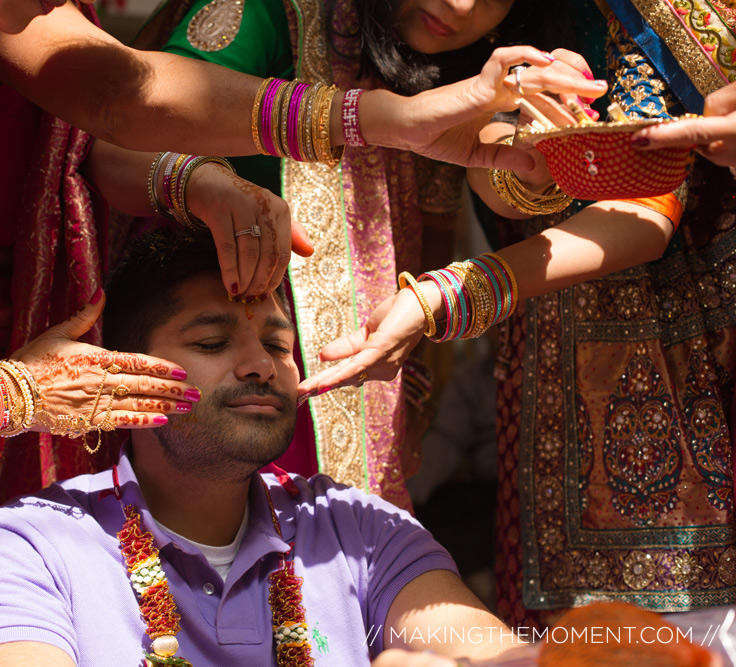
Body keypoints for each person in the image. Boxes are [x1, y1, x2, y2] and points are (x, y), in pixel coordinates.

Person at [301, 0, 736, 629]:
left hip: (688, 375)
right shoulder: (441, 52)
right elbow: (501, 169)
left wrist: (451, 295)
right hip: (551, 396)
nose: (457, 2)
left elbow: (646, 189)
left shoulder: (622, 19)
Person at [0, 228, 522, 666]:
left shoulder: (358, 529)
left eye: (278, 344)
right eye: (213, 341)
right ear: (125, 370)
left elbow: (491, 653)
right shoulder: (35, 546)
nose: (259, 367)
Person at [123, 0, 598, 508]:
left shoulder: (475, 66)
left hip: (354, 372)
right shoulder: (276, 13)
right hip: (215, 365)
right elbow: (124, 131)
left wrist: (538, 151)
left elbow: (464, 202)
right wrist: (203, 183)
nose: (459, 6)